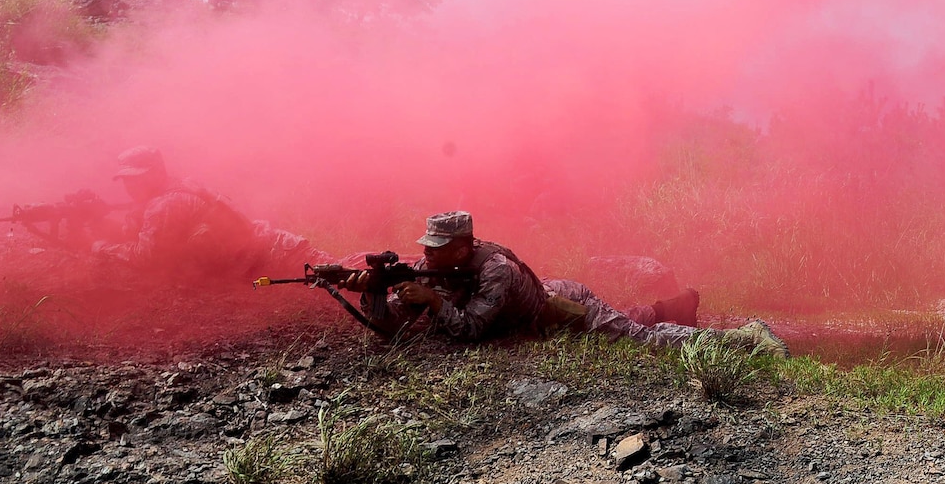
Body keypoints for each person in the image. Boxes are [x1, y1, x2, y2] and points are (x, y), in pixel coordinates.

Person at [345, 211, 781, 353]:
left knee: (638, 339)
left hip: (564, 308)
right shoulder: (440, 265)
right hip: (536, 310)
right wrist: (373, 292)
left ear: (463, 246)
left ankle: (745, 338)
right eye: (427, 246)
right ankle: (673, 306)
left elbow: (471, 331)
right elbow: (396, 330)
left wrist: (435, 304)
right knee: (629, 322)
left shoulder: (497, 269)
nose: (427, 254)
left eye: (437, 247)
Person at [89, 147, 317, 283]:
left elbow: (147, 257)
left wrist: (102, 247)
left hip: (276, 255)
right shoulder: (177, 188)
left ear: (156, 172)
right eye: (127, 179)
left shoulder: (164, 204)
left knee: (346, 276)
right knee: (343, 276)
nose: (131, 185)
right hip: (273, 250)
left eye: (137, 177)